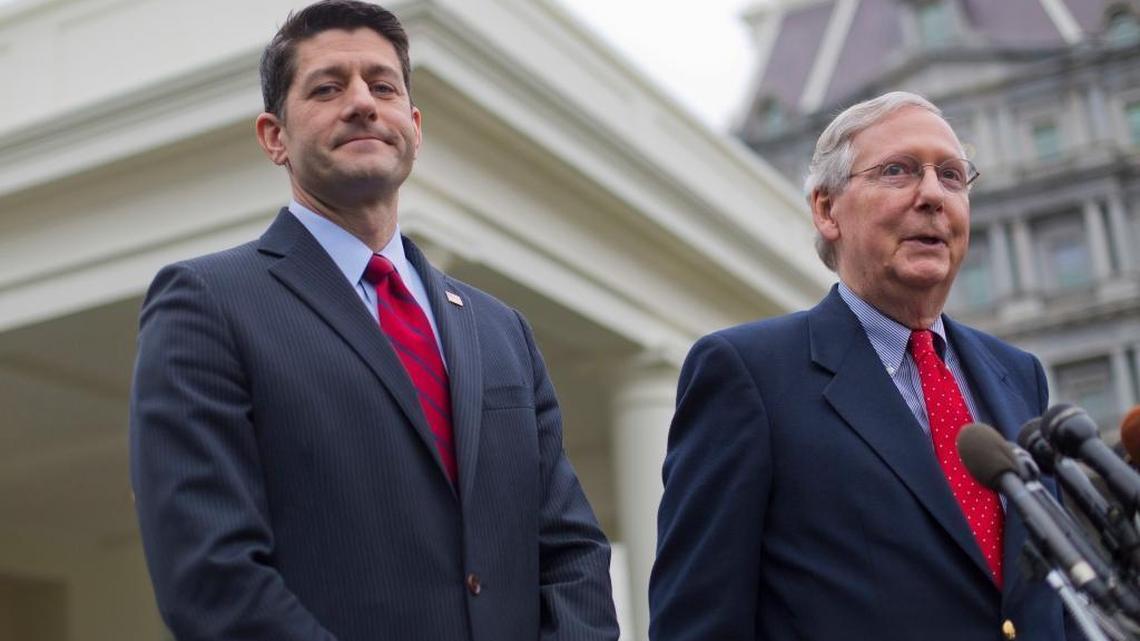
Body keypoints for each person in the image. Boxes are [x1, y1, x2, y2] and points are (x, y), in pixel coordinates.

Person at [128, 2, 618, 640]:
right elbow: (211, 572)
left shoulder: (503, 332)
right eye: (328, 88)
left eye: (383, 86)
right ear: (274, 137)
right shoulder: (206, 303)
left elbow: (571, 551)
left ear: (413, 126)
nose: (362, 103)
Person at [649, 92, 1072, 641]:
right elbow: (697, 622)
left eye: (951, 175)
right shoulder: (747, 373)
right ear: (827, 210)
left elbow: (1057, 596)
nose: (932, 195)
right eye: (898, 171)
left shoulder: (1019, 375)